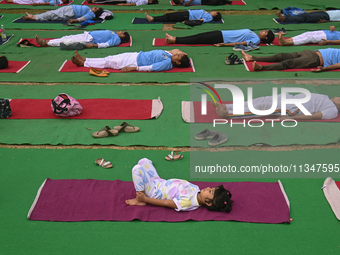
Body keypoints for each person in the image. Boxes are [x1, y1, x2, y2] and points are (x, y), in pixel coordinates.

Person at [125, 158, 233, 212]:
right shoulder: (197, 190)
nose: (208, 188)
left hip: (154, 192)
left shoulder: (188, 201)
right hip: (159, 182)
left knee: (137, 169)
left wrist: (145, 199)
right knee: (143, 161)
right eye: (211, 188)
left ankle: (139, 199)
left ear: (208, 203)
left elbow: (167, 203)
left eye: (210, 191)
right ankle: (145, 174)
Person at [212, 93, 340, 120]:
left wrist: (291, 118)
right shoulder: (327, 98)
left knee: (262, 107)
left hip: (293, 107)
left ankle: (229, 114)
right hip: (290, 98)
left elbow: (313, 116)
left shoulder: (332, 110)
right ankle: (228, 107)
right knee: (259, 99)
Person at [71, 49, 190, 72]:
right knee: (109, 58)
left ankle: (84, 63)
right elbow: (179, 50)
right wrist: (184, 57)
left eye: (178, 56)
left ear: (178, 63)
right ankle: (86, 59)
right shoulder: (170, 56)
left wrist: (133, 68)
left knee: (109, 63)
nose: (177, 54)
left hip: (134, 62)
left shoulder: (167, 64)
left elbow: (150, 68)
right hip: (135, 55)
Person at [242, 48, 340, 72]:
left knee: (288, 63)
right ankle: (252, 57)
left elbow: (337, 65)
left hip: (316, 59)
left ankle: (262, 67)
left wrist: (324, 69)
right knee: (280, 56)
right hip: (311, 52)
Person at [165, 29, 275, 47]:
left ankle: (174, 40)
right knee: (199, 36)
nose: (264, 30)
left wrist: (224, 45)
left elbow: (242, 43)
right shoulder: (255, 34)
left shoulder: (256, 40)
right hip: (222, 33)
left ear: (265, 37)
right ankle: (175, 37)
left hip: (222, 38)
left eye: (266, 32)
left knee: (199, 39)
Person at [34, 30, 130, 48]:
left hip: (89, 40)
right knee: (67, 37)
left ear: (122, 36)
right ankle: (47, 41)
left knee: (67, 42)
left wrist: (93, 45)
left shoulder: (116, 39)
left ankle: (45, 43)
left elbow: (106, 44)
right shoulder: (113, 33)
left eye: (122, 32)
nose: (120, 31)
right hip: (87, 34)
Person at [22, 5, 104, 24]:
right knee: (51, 13)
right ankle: (33, 16)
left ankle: (33, 18)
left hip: (70, 13)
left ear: (95, 12)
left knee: (51, 15)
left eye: (95, 8)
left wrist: (74, 20)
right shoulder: (90, 10)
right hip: (69, 8)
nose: (94, 7)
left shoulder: (91, 14)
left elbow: (83, 18)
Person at [145, 10, 221, 23]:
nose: (213, 11)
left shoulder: (210, 17)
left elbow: (201, 20)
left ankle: (153, 19)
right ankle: (154, 18)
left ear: (216, 14)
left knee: (170, 18)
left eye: (215, 12)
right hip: (187, 13)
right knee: (170, 15)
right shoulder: (208, 14)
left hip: (187, 16)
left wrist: (188, 21)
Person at [88, 0, 158, 5]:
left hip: (125, 0)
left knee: (110, 1)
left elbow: (134, 4)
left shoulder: (144, 1)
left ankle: (95, 2)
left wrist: (123, 4)